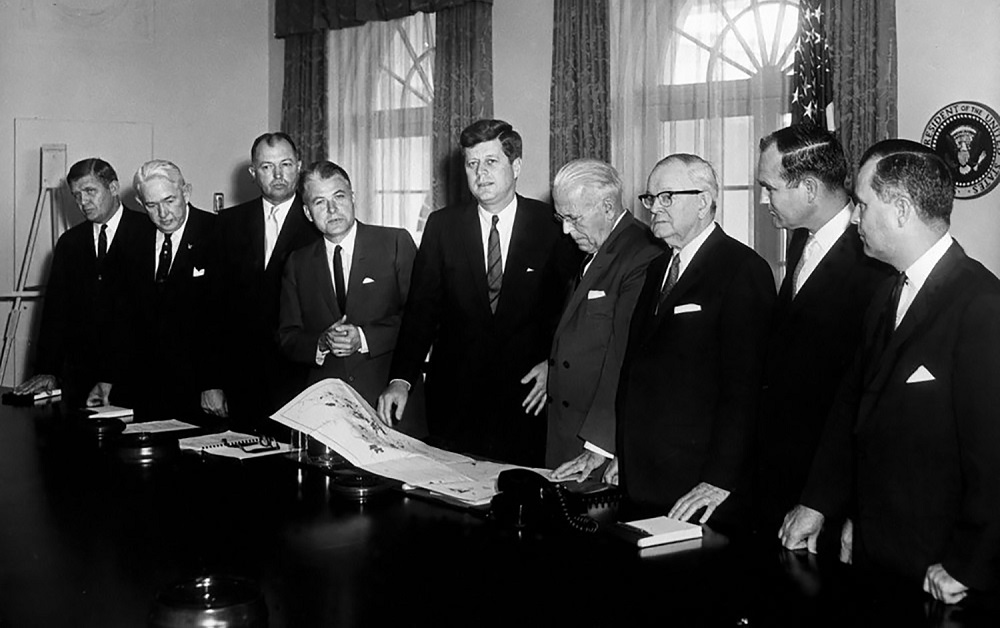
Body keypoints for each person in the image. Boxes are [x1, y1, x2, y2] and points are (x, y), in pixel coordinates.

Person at [780, 140, 1000, 604]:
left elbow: (994, 454)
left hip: (941, 571)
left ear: (900, 210)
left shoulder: (982, 305)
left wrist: (970, 564)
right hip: (876, 550)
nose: (855, 218)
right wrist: (818, 502)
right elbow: (853, 410)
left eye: (862, 204)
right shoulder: (884, 296)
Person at [377, 119, 579, 466]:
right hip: (456, 399)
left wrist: (554, 367)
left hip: (528, 397)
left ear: (515, 166)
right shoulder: (442, 226)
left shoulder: (553, 226)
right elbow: (420, 313)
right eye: (472, 164)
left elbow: (571, 310)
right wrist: (400, 380)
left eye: (491, 162)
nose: (480, 173)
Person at [613, 153, 775, 529]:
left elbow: (746, 389)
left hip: (699, 485)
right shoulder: (657, 267)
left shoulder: (741, 269)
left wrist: (719, 480)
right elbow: (636, 367)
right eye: (651, 198)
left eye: (667, 197)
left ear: (703, 202)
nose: (655, 208)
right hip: (644, 474)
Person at [753, 125, 892, 533]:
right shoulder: (801, 241)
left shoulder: (875, 260)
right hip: (784, 474)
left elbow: (865, 397)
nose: (764, 199)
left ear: (809, 189)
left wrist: (830, 501)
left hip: (828, 490)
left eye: (770, 187)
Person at [277, 161, 422, 433]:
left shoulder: (394, 243)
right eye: (320, 202)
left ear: (353, 197)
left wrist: (364, 338)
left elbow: (419, 322)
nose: (332, 210)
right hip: (328, 417)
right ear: (308, 213)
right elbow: (287, 337)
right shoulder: (298, 263)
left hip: (390, 408)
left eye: (339, 197)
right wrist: (320, 342)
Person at [539, 159, 662, 472]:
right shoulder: (596, 248)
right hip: (569, 430)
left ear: (608, 206)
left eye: (573, 218)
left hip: (596, 444)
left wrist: (602, 446)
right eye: (560, 218)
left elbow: (624, 356)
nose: (566, 230)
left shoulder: (641, 253)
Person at [13, 158, 149, 407]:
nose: (82, 202)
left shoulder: (149, 232)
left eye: (90, 191)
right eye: (76, 195)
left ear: (114, 188)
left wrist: (114, 375)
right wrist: (47, 370)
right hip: (80, 382)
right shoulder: (69, 243)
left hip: (136, 379)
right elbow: (55, 314)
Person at [216, 132, 320, 423]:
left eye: (285, 164)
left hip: (301, 380)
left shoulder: (318, 221)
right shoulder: (227, 224)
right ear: (252, 172)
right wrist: (212, 381)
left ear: (299, 166)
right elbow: (214, 307)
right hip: (241, 379)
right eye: (266, 166)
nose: (277, 174)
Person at [121, 160, 227, 419]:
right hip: (146, 389)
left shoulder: (219, 233)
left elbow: (224, 319)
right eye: (152, 205)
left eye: (169, 200)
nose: (163, 213)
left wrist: (211, 383)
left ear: (186, 192)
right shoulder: (133, 239)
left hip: (200, 390)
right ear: (139, 202)